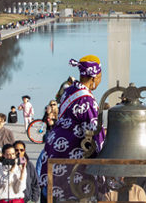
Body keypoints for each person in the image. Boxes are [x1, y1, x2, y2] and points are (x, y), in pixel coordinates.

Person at [36, 56, 106, 199]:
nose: (100, 80)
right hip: (71, 152)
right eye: (100, 77)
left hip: (54, 147)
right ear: (94, 78)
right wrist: (105, 161)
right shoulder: (87, 100)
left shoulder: (70, 90)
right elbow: (95, 132)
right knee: (74, 194)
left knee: (56, 194)